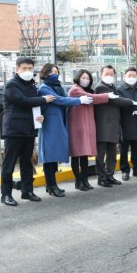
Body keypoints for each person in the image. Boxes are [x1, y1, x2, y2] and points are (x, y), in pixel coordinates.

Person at [0, 57, 55, 206]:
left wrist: (40, 117)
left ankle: (27, 191)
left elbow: (33, 106)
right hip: (14, 130)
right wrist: (44, 99)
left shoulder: (32, 86)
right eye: (24, 68)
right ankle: (6, 195)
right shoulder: (12, 85)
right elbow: (23, 101)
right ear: (17, 69)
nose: (27, 71)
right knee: (9, 164)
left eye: (30, 68)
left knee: (27, 162)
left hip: (29, 129)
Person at [37, 63, 93, 197]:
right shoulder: (44, 88)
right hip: (50, 125)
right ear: (45, 74)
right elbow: (60, 100)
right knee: (49, 157)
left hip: (58, 124)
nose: (55, 74)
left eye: (56, 71)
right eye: (52, 72)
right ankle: (51, 185)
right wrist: (79, 100)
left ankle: (51, 185)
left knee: (54, 156)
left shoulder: (57, 87)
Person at [68, 69, 111, 191]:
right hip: (76, 127)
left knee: (85, 155)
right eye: (83, 78)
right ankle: (78, 180)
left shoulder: (85, 90)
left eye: (88, 78)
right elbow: (92, 98)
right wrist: (107, 96)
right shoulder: (75, 89)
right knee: (76, 154)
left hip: (86, 126)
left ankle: (84, 180)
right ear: (78, 78)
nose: (85, 80)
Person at [94, 65, 134, 187]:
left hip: (113, 125)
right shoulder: (100, 87)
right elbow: (115, 101)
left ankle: (109, 175)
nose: (109, 76)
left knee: (111, 153)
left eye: (111, 74)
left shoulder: (112, 87)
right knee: (100, 154)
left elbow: (118, 99)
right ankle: (101, 178)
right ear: (101, 74)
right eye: (106, 74)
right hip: (103, 125)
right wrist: (132, 101)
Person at [117, 67, 137, 181]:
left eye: (134, 76)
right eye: (129, 75)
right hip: (126, 124)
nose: (132, 78)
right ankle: (125, 170)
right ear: (124, 76)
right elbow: (120, 104)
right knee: (124, 150)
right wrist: (135, 107)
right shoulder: (120, 89)